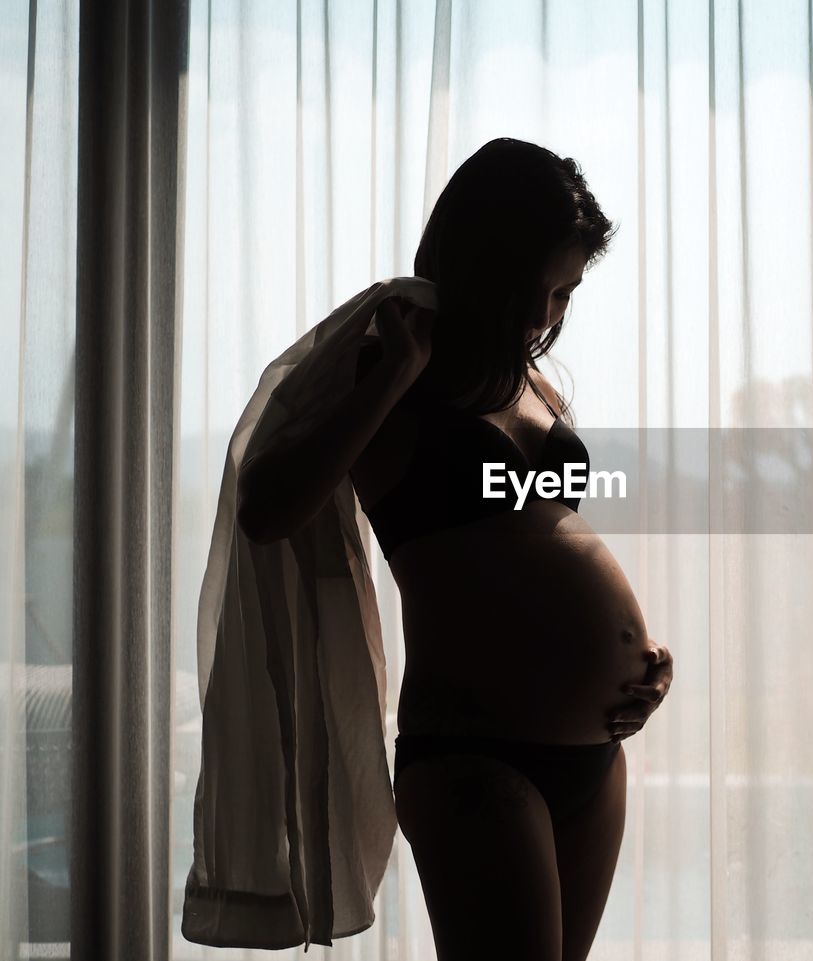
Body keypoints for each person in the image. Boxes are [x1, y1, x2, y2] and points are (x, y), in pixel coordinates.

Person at [234, 138, 675, 960]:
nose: (548, 315)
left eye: (566, 292)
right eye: (539, 288)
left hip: (591, 758)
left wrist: (638, 658)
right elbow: (266, 508)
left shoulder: (529, 384)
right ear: (486, 265)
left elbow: (534, 546)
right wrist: (394, 372)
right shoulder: (395, 369)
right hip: (477, 757)